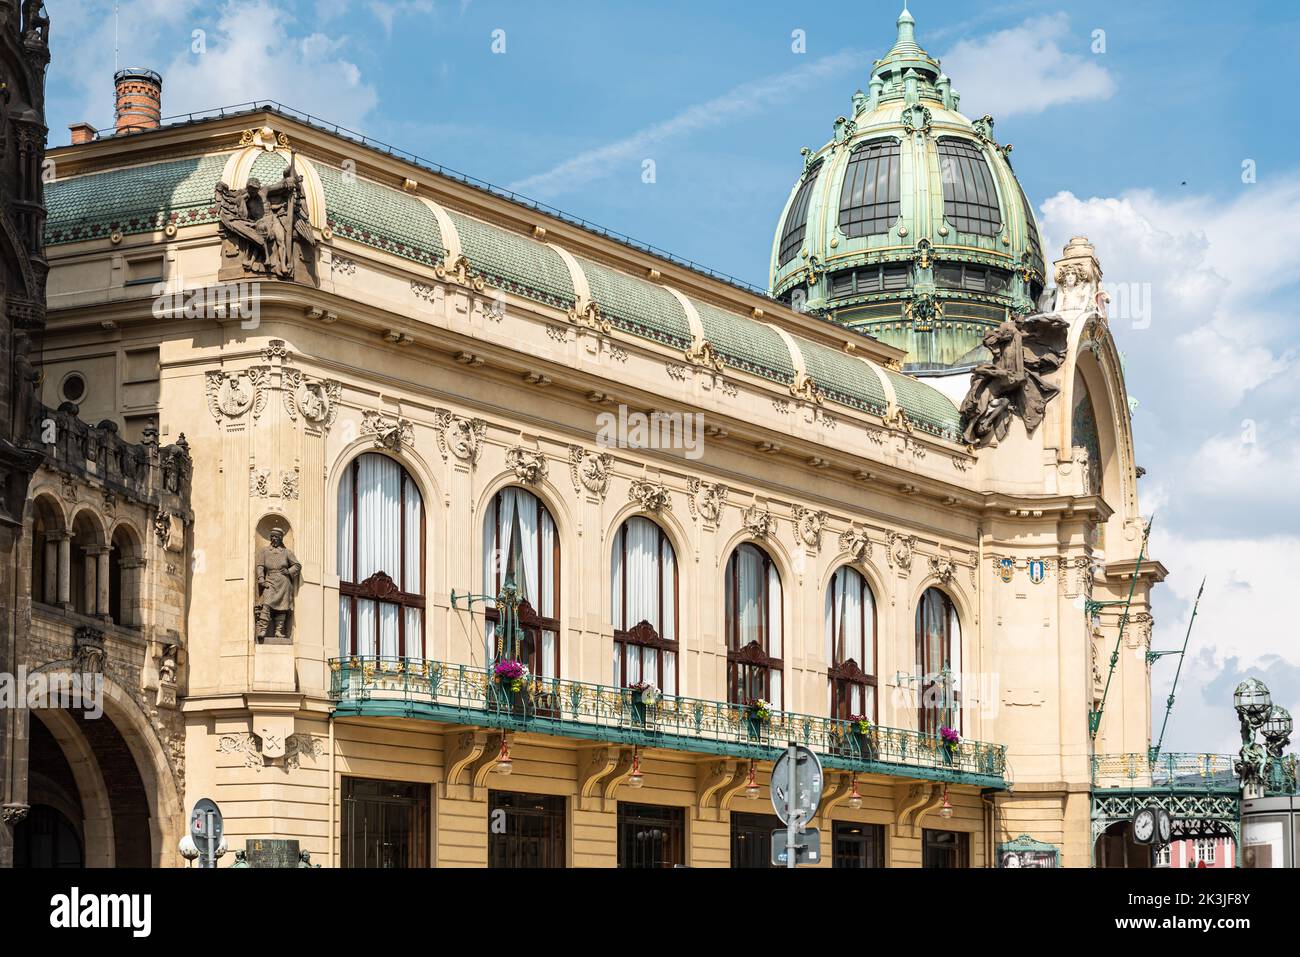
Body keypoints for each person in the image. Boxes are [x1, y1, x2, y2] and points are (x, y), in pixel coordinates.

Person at [255, 527, 301, 641]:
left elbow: (297, 565)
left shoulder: (286, 552)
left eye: (276, 537)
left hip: (284, 583)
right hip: (270, 580)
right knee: (266, 604)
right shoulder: (265, 551)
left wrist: (289, 571)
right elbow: (260, 566)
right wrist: (261, 579)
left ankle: (278, 631)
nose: (274, 539)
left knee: (282, 607)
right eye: (273, 537)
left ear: (280, 539)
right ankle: (262, 629)